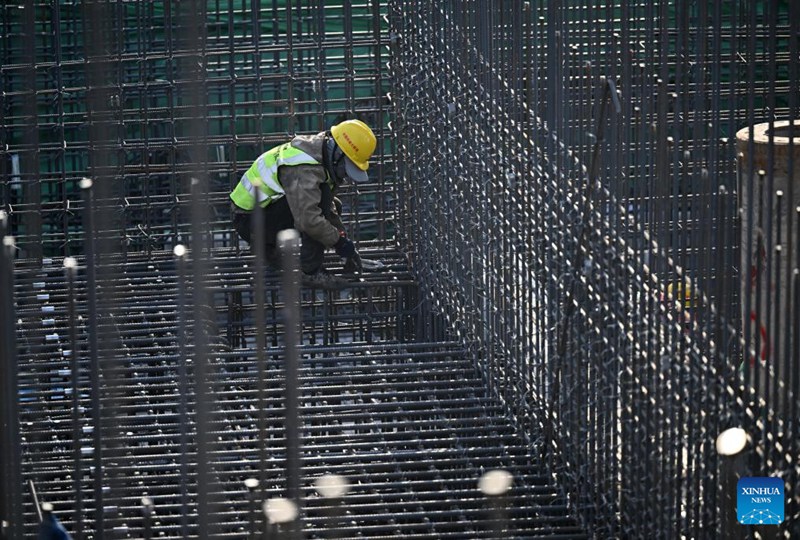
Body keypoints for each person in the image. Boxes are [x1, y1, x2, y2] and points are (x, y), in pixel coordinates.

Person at [230, 119, 376, 289]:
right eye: (347, 168)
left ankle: (269, 252)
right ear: (338, 154)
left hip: (261, 214)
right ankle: (310, 272)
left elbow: (328, 207)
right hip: (249, 221)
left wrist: (344, 242)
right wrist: (338, 242)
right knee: (312, 215)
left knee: (330, 203)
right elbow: (309, 219)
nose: (345, 176)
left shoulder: (318, 153)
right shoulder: (305, 168)